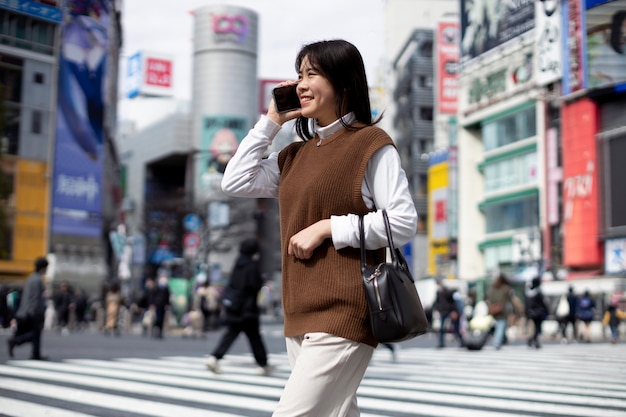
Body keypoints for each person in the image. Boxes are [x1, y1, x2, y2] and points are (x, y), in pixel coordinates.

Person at [220, 39, 418, 416]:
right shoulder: (295, 155)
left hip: (345, 309)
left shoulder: (370, 144)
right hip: (300, 310)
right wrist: (271, 122)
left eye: (312, 74)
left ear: (343, 84)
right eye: (299, 75)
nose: (301, 84)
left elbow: (403, 221)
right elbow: (235, 180)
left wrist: (329, 227)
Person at [205, 238, 271, 375]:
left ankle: (214, 357)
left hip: (234, 307)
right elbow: (255, 286)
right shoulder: (252, 266)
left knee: (230, 334)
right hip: (248, 309)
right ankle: (263, 364)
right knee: (255, 337)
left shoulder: (237, 264)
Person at [7, 257, 49, 360]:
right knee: (35, 333)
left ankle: (35, 353)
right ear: (43, 268)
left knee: (34, 333)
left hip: (24, 310)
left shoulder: (31, 277)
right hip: (32, 311)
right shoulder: (37, 280)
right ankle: (17, 342)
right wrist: (36, 312)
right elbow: (35, 298)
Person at [486, 273, 515, 350]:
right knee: (501, 326)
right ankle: (497, 342)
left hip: (493, 309)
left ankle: (503, 340)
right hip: (502, 310)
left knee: (500, 326)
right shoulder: (505, 288)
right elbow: (510, 300)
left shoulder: (492, 288)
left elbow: (487, 298)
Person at [433, 279, 464, 348]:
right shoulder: (438, 292)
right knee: (441, 329)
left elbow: (453, 302)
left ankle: (462, 342)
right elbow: (437, 302)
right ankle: (441, 343)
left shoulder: (447, 291)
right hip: (443, 311)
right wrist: (436, 309)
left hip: (450, 311)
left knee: (456, 328)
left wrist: (455, 311)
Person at [524, 277, 548, 349]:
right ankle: (535, 341)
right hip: (538, 312)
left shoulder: (528, 292)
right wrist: (547, 311)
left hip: (530, 313)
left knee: (532, 328)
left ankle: (531, 340)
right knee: (538, 328)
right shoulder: (538, 292)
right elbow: (543, 303)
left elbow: (526, 304)